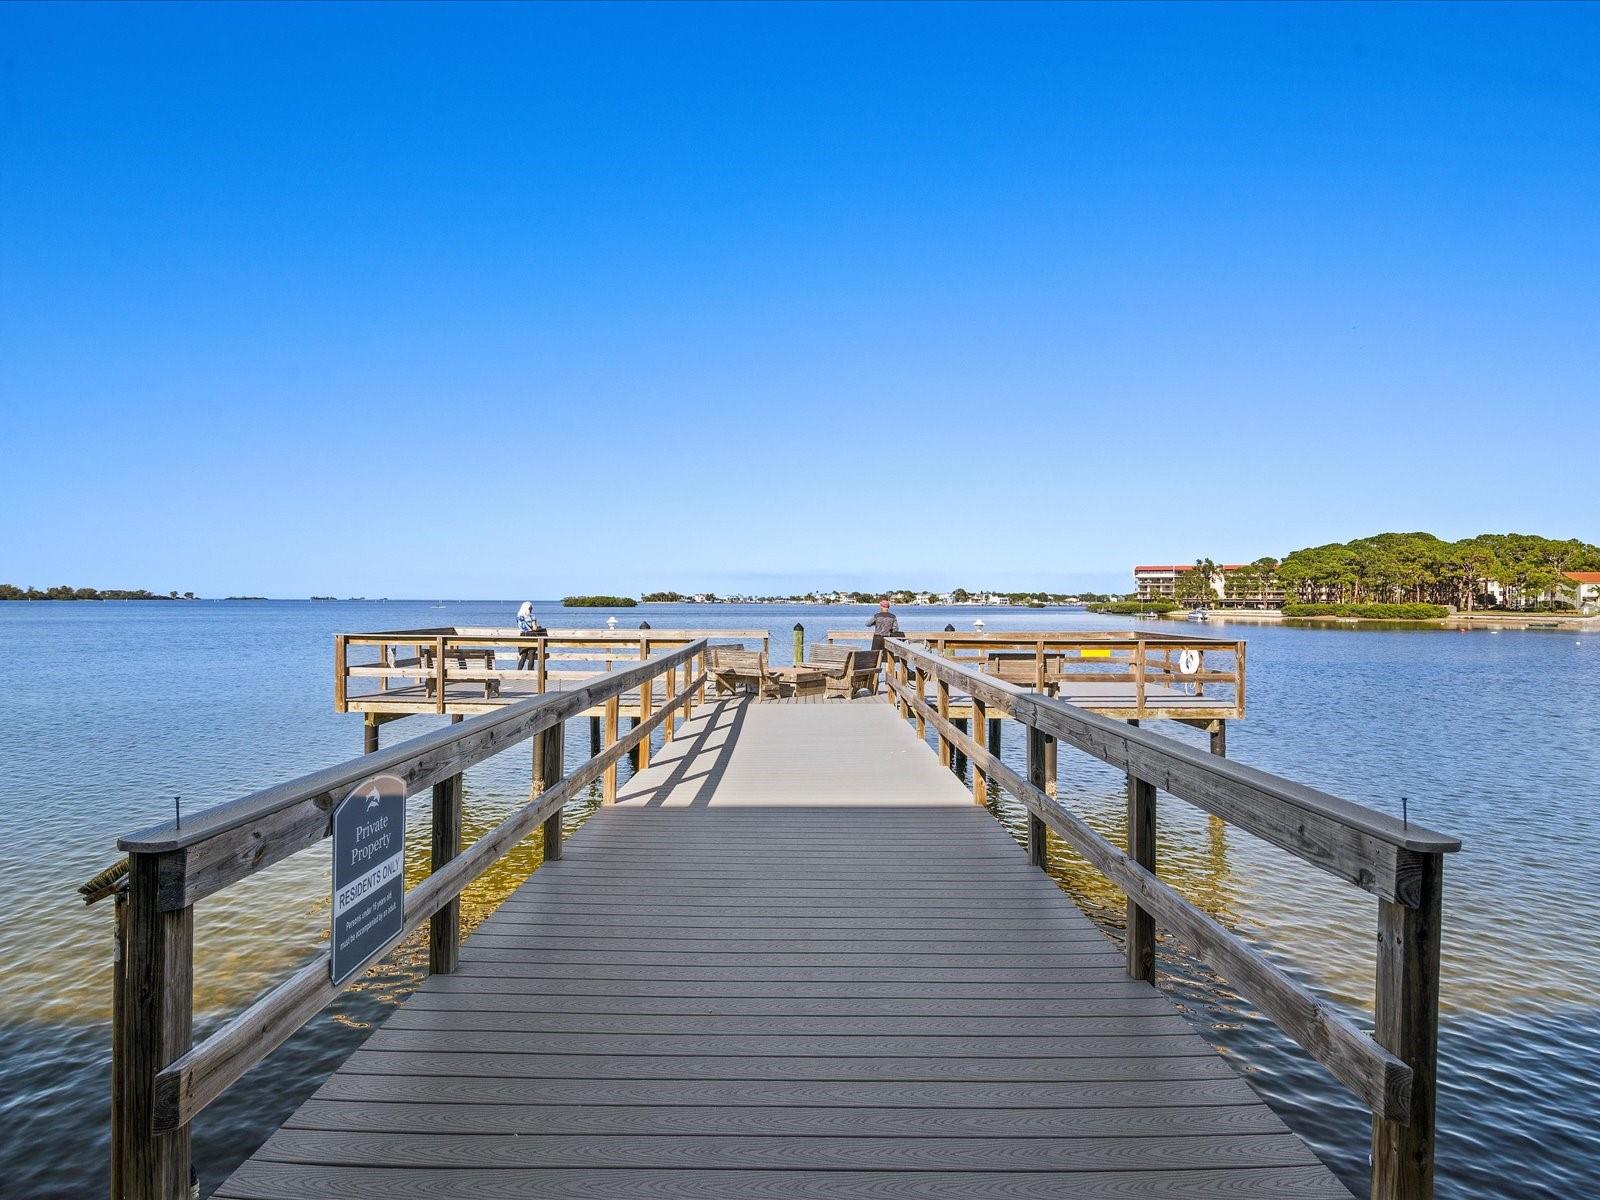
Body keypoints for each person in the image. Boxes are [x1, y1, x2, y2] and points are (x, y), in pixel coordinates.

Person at [515, 601, 543, 671]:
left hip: (522, 636)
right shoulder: (532, 616)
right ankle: (530, 672)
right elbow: (534, 628)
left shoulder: (518, 616)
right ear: (528, 608)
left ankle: (518, 672)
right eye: (531, 608)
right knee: (531, 655)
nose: (531, 609)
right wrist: (539, 627)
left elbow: (521, 627)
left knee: (523, 656)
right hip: (531, 636)